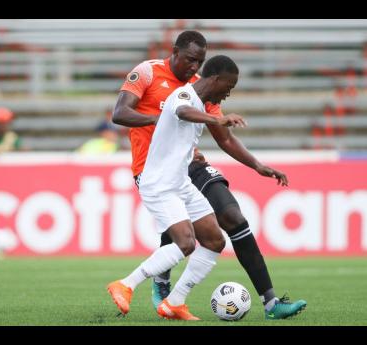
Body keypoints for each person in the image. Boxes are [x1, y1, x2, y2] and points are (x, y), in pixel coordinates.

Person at [112, 31, 306, 320]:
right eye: (190, 59)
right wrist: (161, 120)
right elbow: (121, 113)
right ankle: (149, 283)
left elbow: (224, 138)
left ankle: (269, 302)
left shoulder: (201, 89)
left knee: (229, 223)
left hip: (187, 166)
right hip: (154, 168)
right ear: (175, 51)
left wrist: (256, 165)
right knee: (184, 239)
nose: (194, 67)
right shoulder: (149, 73)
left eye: (200, 62)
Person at [107, 55, 247, 321]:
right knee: (186, 242)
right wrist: (217, 120)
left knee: (215, 240)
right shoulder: (184, 95)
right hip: (160, 184)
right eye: (228, 87)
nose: (228, 94)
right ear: (215, 79)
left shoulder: (198, 101)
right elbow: (182, 112)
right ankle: (126, 284)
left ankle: (174, 302)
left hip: (179, 182)